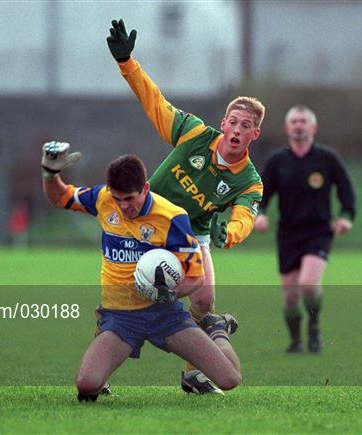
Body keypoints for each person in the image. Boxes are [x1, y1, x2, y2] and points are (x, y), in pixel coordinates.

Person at [107, 19, 264, 394]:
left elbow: (244, 217)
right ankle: (103, 373)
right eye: (234, 122)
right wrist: (127, 62)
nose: (238, 130)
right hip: (148, 220)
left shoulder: (250, 181)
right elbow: (154, 102)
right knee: (123, 297)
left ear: (254, 134)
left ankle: (193, 372)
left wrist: (232, 232)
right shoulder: (193, 132)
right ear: (224, 123)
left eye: (247, 126)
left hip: (193, 233)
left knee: (205, 298)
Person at [41, 141, 241, 402]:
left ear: (145, 189)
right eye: (118, 199)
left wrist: (168, 295)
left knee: (229, 380)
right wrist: (50, 173)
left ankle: (216, 328)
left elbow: (196, 278)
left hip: (164, 315)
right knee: (87, 385)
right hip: (120, 317)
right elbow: (60, 197)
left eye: (130, 199)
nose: (123, 206)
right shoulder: (102, 198)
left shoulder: (172, 218)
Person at [254, 105, 355, 353]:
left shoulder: (327, 158)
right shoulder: (278, 161)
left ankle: (314, 328)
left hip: (319, 232)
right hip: (288, 234)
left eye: (304, 121)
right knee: (290, 296)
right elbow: (261, 194)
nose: (299, 125)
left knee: (309, 284)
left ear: (313, 127)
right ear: (288, 128)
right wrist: (261, 214)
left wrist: (345, 217)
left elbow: (346, 191)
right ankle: (296, 340)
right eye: (294, 121)